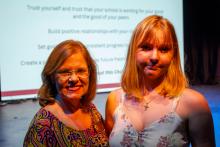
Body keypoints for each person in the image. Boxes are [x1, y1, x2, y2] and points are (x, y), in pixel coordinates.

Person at [105, 15, 215, 147]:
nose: (154, 57)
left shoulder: (194, 103)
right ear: (133, 51)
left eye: (164, 49)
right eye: (146, 47)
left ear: (173, 55)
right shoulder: (114, 99)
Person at [24, 40, 109, 146]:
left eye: (80, 71)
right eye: (65, 72)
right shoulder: (42, 125)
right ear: (52, 76)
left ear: (90, 74)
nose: (73, 78)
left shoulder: (90, 109)